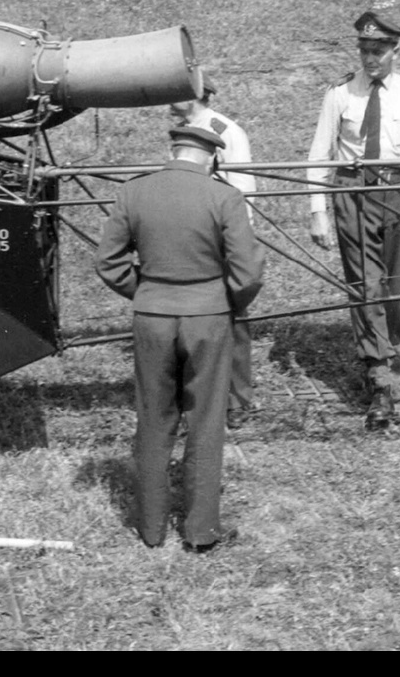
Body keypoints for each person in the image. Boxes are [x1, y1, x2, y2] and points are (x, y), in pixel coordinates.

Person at [95, 124, 265, 552]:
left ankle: (151, 529)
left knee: (153, 418)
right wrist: (220, 302)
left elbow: (109, 263)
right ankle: (201, 532)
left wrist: (148, 292)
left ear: (174, 150)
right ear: (210, 157)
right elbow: (248, 273)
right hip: (207, 318)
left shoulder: (132, 193)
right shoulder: (223, 197)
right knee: (206, 422)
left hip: (152, 317)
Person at [306, 10, 400, 428]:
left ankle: (387, 344)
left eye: (379, 50)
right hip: (353, 193)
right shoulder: (340, 94)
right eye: (365, 49)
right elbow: (319, 156)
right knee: (365, 285)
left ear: (395, 50)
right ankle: (379, 380)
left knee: (392, 286)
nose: (371, 58)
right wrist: (318, 211)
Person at [169, 75, 260, 429]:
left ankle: (238, 400)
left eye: (174, 93)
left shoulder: (225, 131)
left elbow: (243, 191)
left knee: (233, 318)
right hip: (189, 238)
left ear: (194, 95)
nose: (168, 101)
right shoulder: (182, 132)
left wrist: (238, 245)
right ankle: (195, 394)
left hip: (220, 238)